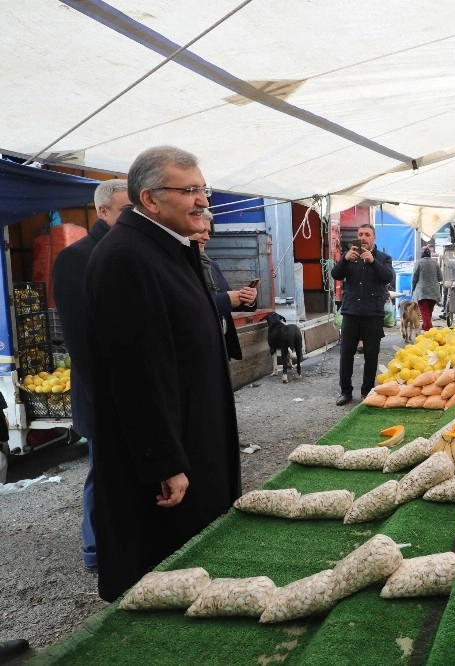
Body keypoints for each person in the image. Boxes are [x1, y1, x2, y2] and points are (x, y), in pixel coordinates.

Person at [84, 146, 242, 602]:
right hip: (168, 461)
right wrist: (163, 461)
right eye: (189, 190)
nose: (202, 201)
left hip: (194, 436)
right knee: (162, 571)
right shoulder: (126, 258)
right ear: (150, 200)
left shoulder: (169, 249)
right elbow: (137, 373)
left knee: (198, 560)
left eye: (202, 189)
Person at [52, 178, 130, 572]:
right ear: (103, 212)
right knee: (103, 471)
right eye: (126, 211)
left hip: (132, 393)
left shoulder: (133, 251)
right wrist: (108, 399)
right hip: (103, 394)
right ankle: (95, 548)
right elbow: (81, 344)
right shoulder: (76, 258)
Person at [330, 223, 395, 406]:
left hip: (373, 313)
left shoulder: (383, 258)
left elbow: (388, 278)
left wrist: (373, 262)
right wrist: (345, 259)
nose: (363, 237)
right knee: (346, 354)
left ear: (374, 237)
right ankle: (345, 391)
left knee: (371, 355)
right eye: (360, 234)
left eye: (367, 234)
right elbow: (336, 274)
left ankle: (367, 391)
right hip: (351, 312)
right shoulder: (350, 256)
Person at [188, 210, 258, 360]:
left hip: (219, 346)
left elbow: (227, 296)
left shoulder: (211, 264)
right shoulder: (179, 266)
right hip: (198, 349)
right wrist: (226, 299)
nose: (207, 237)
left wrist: (247, 299)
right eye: (202, 231)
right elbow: (188, 308)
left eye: (208, 231)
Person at [411, 246, 442, 331]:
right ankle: (425, 327)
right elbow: (440, 277)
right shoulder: (435, 263)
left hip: (422, 291)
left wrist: (413, 289)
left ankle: (428, 328)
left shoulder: (418, 263)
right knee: (429, 311)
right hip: (433, 291)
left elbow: (414, 277)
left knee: (424, 311)